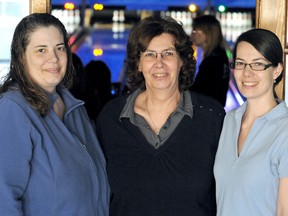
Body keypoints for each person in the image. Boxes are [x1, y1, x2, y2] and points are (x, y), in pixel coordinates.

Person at [96, 16, 225, 216]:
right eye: (149, 55)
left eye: (168, 54)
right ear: (138, 63)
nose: (159, 63)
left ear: (182, 60)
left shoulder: (212, 117)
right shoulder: (111, 117)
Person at [0, 13, 109, 215]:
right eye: (41, 50)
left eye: (60, 48)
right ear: (21, 57)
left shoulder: (76, 109)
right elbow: (3, 199)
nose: (54, 58)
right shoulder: (13, 110)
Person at [214, 29, 288, 216]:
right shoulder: (229, 121)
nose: (247, 73)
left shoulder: (284, 130)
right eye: (240, 64)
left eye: (257, 64)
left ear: (277, 70)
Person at [190, 15, 230, 107]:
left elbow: (196, 92)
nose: (192, 35)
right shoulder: (220, 55)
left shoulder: (212, 61)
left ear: (206, 34)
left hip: (209, 114)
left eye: (195, 31)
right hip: (215, 111)